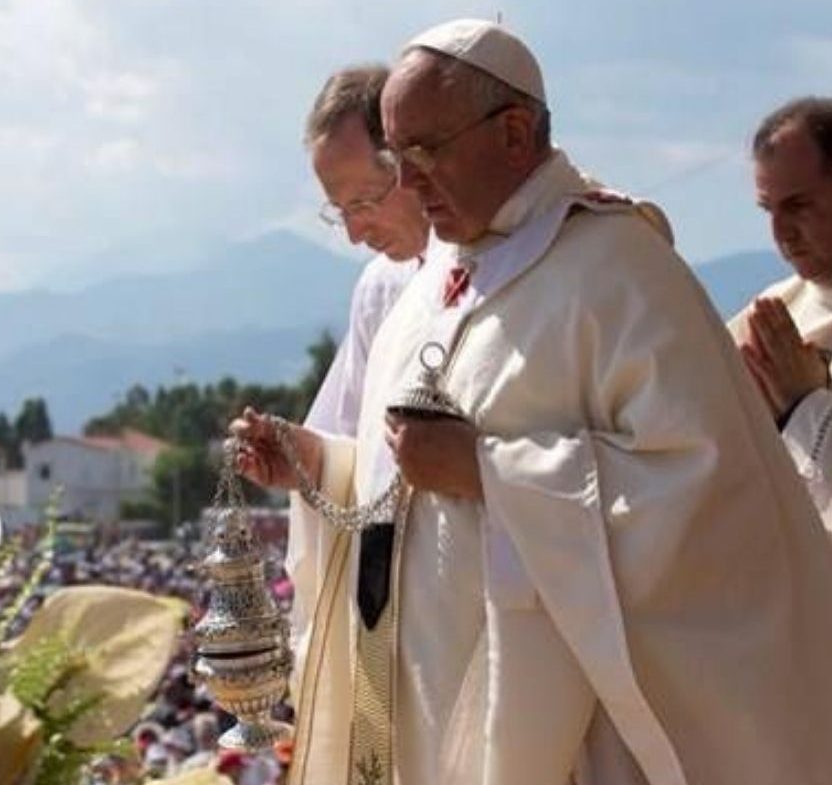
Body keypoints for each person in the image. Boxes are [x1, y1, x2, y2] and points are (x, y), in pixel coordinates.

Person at [234, 19, 832, 785]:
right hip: (424, 714)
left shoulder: (620, 272)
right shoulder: (426, 290)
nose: (409, 183)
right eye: (397, 155)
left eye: (425, 151)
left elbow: (711, 510)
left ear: (515, 131)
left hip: (564, 741)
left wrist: (490, 470)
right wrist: (320, 464)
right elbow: (409, 489)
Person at [285, 65, 430, 694]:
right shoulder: (381, 288)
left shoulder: (516, 268)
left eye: (364, 202)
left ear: (415, 165)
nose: (353, 232)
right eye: (337, 210)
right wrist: (300, 458)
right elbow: (350, 452)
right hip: (397, 609)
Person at [728, 97, 832, 525]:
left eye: (798, 206)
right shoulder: (771, 317)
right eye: (769, 211)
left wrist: (806, 405)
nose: (781, 234)